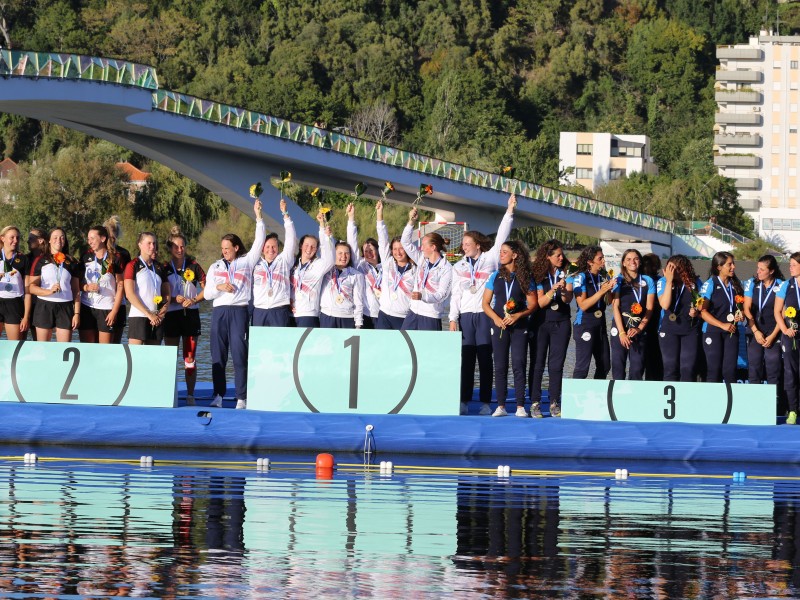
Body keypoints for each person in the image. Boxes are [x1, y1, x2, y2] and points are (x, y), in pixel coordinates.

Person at [449, 195, 516, 415]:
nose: (464, 247)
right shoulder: (458, 265)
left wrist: (509, 212)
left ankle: (487, 402)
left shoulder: (490, 259)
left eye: (468, 244)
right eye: (463, 244)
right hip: (466, 316)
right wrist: (452, 318)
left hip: (486, 314)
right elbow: (455, 294)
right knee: (466, 360)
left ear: (478, 245)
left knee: (486, 359)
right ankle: (464, 401)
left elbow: (502, 237)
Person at [204, 199, 266, 409]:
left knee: (240, 354)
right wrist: (220, 287)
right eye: (222, 248)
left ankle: (242, 397)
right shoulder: (215, 266)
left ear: (236, 248)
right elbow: (206, 294)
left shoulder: (246, 261)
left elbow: (260, 241)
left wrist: (258, 216)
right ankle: (218, 396)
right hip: (219, 312)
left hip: (239, 311)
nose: (224, 251)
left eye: (228, 248)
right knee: (218, 355)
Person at [482, 240, 537, 417]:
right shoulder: (495, 276)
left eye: (505, 252)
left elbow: (533, 304)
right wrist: (497, 319)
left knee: (519, 364)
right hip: (499, 325)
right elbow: (485, 303)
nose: (501, 254)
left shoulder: (525, 276)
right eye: (501, 252)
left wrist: (518, 315)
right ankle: (501, 406)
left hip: (519, 325)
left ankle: (520, 406)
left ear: (515, 255)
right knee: (500, 365)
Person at [530, 240, 573, 418]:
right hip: (541, 323)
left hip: (561, 323)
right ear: (547, 257)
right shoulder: (538, 275)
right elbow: (540, 302)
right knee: (538, 363)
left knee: (556, 365)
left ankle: (554, 402)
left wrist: (563, 290)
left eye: (562, 255)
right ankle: (535, 402)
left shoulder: (568, 273)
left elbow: (568, 299)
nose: (561, 258)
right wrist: (553, 289)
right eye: (558, 255)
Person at [163, 227, 206, 406]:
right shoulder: (164, 267)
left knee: (189, 358)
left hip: (191, 315)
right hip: (172, 315)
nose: (179, 250)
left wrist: (194, 299)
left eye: (182, 246)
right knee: (171, 356)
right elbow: (159, 294)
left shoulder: (194, 265)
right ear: (170, 248)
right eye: (176, 247)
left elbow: (208, 288)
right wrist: (173, 299)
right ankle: (169, 394)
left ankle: (190, 395)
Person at [401, 207, 453, 330]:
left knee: (427, 350)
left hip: (431, 316)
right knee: (402, 346)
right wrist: (411, 222)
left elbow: (442, 295)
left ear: (433, 247)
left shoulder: (447, 268)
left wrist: (422, 296)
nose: (421, 248)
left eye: (424, 245)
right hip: (413, 312)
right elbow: (405, 242)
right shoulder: (421, 259)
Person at [744, 255, 784, 412]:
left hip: (774, 333)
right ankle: (754, 408)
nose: (758, 272)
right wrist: (755, 331)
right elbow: (747, 309)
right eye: (757, 268)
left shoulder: (781, 285)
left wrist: (773, 336)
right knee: (754, 369)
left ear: (771, 271)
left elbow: (782, 313)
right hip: (755, 332)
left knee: (773, 369)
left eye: (762, 269)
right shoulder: (752, 283)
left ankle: (772, 409)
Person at [610, 249, 656, 380]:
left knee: (637, 368)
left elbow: (649, 309)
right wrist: (622, 333)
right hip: (620, 328)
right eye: (628, 259)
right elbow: (615, 306)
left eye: (636, 258)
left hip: (638, 329)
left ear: (640, 262)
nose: (632, 262)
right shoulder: (618, 280)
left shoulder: (648, 281)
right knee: (618, 367)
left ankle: (632, 397)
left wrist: (639, 328)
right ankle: (617, 398)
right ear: (623, 263)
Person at [657, 255, 704, 382]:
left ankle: (686, 399)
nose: (669, 271)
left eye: (672, 268)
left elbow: (701, 306)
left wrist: (696, 311)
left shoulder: (695, 283)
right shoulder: (662, 282)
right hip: (669, 330)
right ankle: (668, 399)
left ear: (682, 269)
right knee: (670, 368)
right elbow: (665, 304)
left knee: (688, 369)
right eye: (668, 267)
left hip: (689, 330)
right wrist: (669, 281)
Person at [571, 246, 615, 381]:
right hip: (585, 324)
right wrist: (601, 291)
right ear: (590, 261)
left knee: (605, 365)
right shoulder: (580, 277)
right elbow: (583, 305)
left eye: (603, 258)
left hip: (600, 325)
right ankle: (575, 399)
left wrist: (610, 290)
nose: (603, 261)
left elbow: (608, 302)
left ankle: (595, 395)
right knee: (582, 367)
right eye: (600, 258)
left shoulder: (604, 276)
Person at [700, 251, 744, 383]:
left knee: (730, 371)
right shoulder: (710, 284)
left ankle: (731, 402)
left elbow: (738, 307)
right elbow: (702, 312)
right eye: (729, 264)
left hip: (731, 331)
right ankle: (712, 403)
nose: (733, 267)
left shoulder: (736, 285)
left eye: (733, 264)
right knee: (714, 370)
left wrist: (739, 315)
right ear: (719, 267)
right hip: (713, 331)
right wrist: (722, 325)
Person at [30, 228, 80, 342]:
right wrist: (49, 291)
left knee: (63, 349)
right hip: (44, 306)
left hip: (65, 307)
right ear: (49, 241)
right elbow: (31, 287)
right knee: (43, 348)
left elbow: (76, 290)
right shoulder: (40, 260)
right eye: (55, 237)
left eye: (62, 237)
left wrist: (77, 313)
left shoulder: (72, 261)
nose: (59, 240)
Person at [252, 199, 296, 328]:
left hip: (279, 310)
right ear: (262, 248)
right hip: (260, 310)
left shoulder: (284, 260)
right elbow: (258, 238)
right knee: (259, 347)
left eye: (274, 246)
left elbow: (291, 239)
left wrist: (285, 214)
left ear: (278, 248)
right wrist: (258, 215)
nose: (271, 249)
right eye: (267, 246)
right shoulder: (255, 263)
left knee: (280, 346)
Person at [78, 225, 125, 344]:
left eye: (92, 238)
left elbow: (120, 286)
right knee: (88, 350)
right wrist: (87, 287)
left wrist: (114, 311)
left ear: (103, 238)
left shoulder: (115, 258)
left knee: (105, 351)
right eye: (88, 239)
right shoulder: (85, 256)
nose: (89, 242)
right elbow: (76, 284)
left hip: (106, 308)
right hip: (87, 307)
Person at [374, 200, 415, 330]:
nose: (398, 252)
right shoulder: (388, 263)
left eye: (401, 248)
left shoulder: (415, 269)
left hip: (405, 317)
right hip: (385, 314)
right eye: (395, 249)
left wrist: (411, 221)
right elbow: (382, 239)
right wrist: (379, 215)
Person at [123, 232, 170, 346]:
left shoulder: (159, 267)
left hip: (157, 317)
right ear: (140, 245)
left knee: (152, 359)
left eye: (154, 243)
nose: (152, 246)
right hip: (139, 316)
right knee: (135, 357)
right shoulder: (132, 265)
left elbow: (166, 294)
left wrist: (161, 314)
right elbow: (129, 294)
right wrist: (149, 314)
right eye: (148, 243)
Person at [291, 213, 335, 328]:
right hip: (290, 313)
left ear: (316, 250)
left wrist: (322, 229)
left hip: (308, 315)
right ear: (301, 246)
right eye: (306, 245)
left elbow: (330, 259)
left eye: (313, 247)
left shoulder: (318, 265)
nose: (309, 249)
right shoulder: (292, 264)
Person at [775, 251, 800, 424]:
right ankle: (792, 410)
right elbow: (777, 311)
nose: (790, 268)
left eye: (793, 265)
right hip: (791, 337)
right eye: (790, 264)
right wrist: (784, 329)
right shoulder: (786, 285)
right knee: (791, 374)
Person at [346, 203, 380, 329]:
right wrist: (351, 218)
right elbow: (352, 243)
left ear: (378, 250)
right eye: (365, 251)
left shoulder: (387, 267)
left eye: (371, 250)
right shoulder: (360, 265)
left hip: (385, 315)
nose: (368, 253)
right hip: (367, 315)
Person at [319, 240, 364, 328]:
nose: (344, 256)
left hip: (347, 318)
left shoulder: (356, 275)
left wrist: (358, 323)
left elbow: (358, 300)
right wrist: (327, 237)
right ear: (334, 254)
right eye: (340, 253)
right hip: (327, 316)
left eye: (347, 253)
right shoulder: (326, 271)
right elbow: (324, 250)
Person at [103, 215, 132, 343]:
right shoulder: (97, 252)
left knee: (115, 343)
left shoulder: (123, 254)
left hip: (118, 302)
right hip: (101, 303)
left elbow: (126, 280)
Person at [0, 226, 31, 340]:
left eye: (17, 238)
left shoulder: (23, 259)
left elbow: (27, 291)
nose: (15, 241)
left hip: (14, 304)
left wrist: (26, 317)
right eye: (12, 237)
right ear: (2, 238)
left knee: (15, 344)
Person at [640, 253, 664, 381]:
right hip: (656, 323)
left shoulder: (639, 280)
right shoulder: (661, 281)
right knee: (656, 359)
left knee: (643, 359)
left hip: (643, 322)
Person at [24, 228, 46, 340]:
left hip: (42, 305)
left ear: (41, 241)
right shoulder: (25, 259)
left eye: (31, 239)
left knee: (39, 340)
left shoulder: (49, 259)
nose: (28, 241)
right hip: (25, 303)